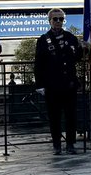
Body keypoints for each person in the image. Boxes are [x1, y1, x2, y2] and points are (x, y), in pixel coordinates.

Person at [35, 8, 82, 155]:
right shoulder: (43, 40)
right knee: (54, 116)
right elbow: (39, 64)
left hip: (69, 84)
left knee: (71, 116)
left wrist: (84, 47)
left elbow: (77, 57)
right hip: (52, 85)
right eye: (55, 19)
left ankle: (70, 143)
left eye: (61, 19)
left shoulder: (70, 37)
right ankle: (56, 144)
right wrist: (40, 85)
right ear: (49, 21)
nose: (58, 22)